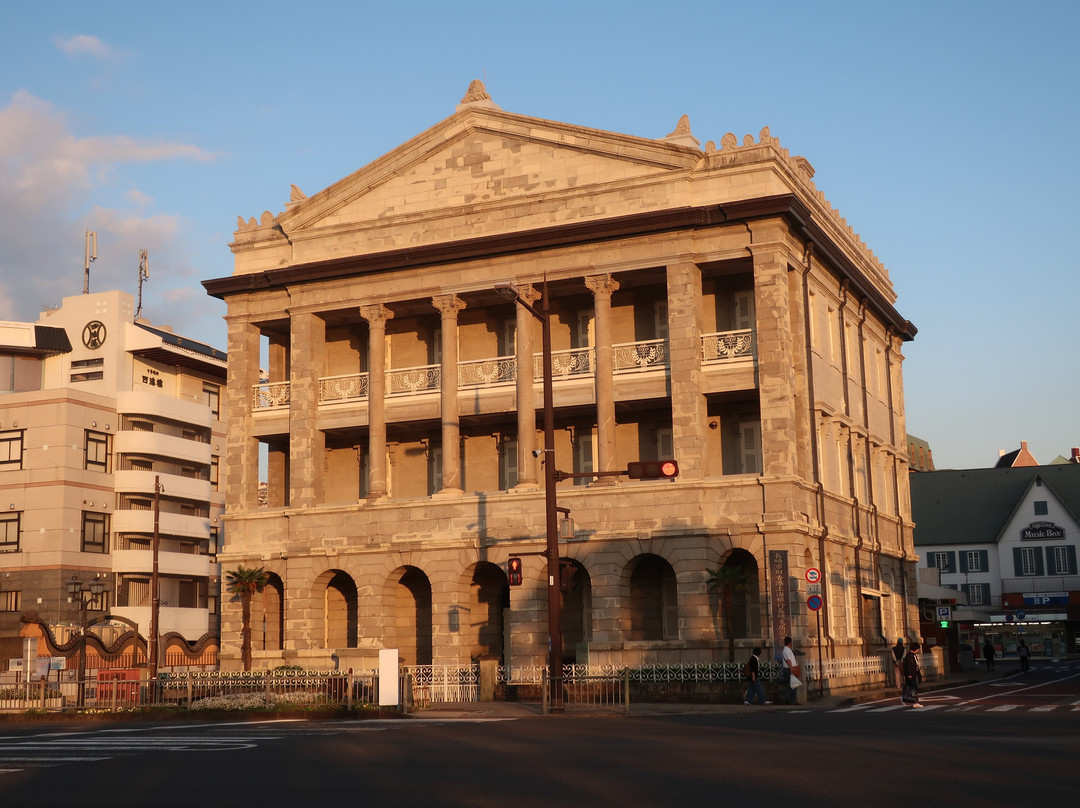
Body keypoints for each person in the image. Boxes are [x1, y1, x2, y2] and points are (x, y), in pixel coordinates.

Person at [900, 641, 923, 707]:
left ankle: (905, 699)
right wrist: (909, 674)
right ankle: (914, 702)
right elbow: (908, 666)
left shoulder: (913, 655)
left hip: (914, 674)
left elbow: (916, 665)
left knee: (912, 688)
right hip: (911, 675)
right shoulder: (909, 656)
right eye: (918, 649)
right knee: (913, 688)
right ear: (915, 649)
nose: (918, 650)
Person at [779, 636, 801, 704]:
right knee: (794, 685)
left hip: (790, 669)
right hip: (789, 669)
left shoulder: (787, 649)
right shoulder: (786, 650)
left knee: (793, 685)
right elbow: (788, 661)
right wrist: (791, 670)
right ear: (790, 643)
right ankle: (783, 696)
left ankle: (793, 701)